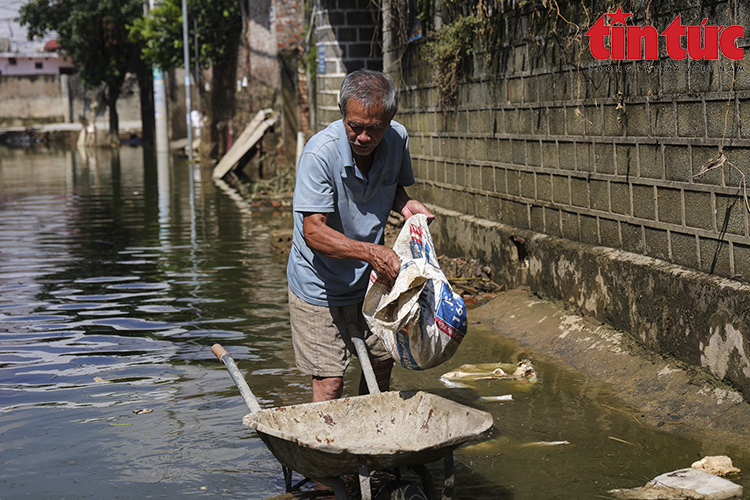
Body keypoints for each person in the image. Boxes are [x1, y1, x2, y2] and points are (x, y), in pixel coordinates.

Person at [286, 69, 434, 403]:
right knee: (331, 382)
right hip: (318, 284)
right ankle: (327, 447)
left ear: (390, 118)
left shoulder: (397, 139)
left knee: (383, 362)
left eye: (374, 129)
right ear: (341, 111)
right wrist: (372, 253)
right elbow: (314, 231)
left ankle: (370, 434)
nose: (364, 137)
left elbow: (393, 187)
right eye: (355, 127)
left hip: (369, 282)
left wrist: (406, 205)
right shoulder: (319, 154)